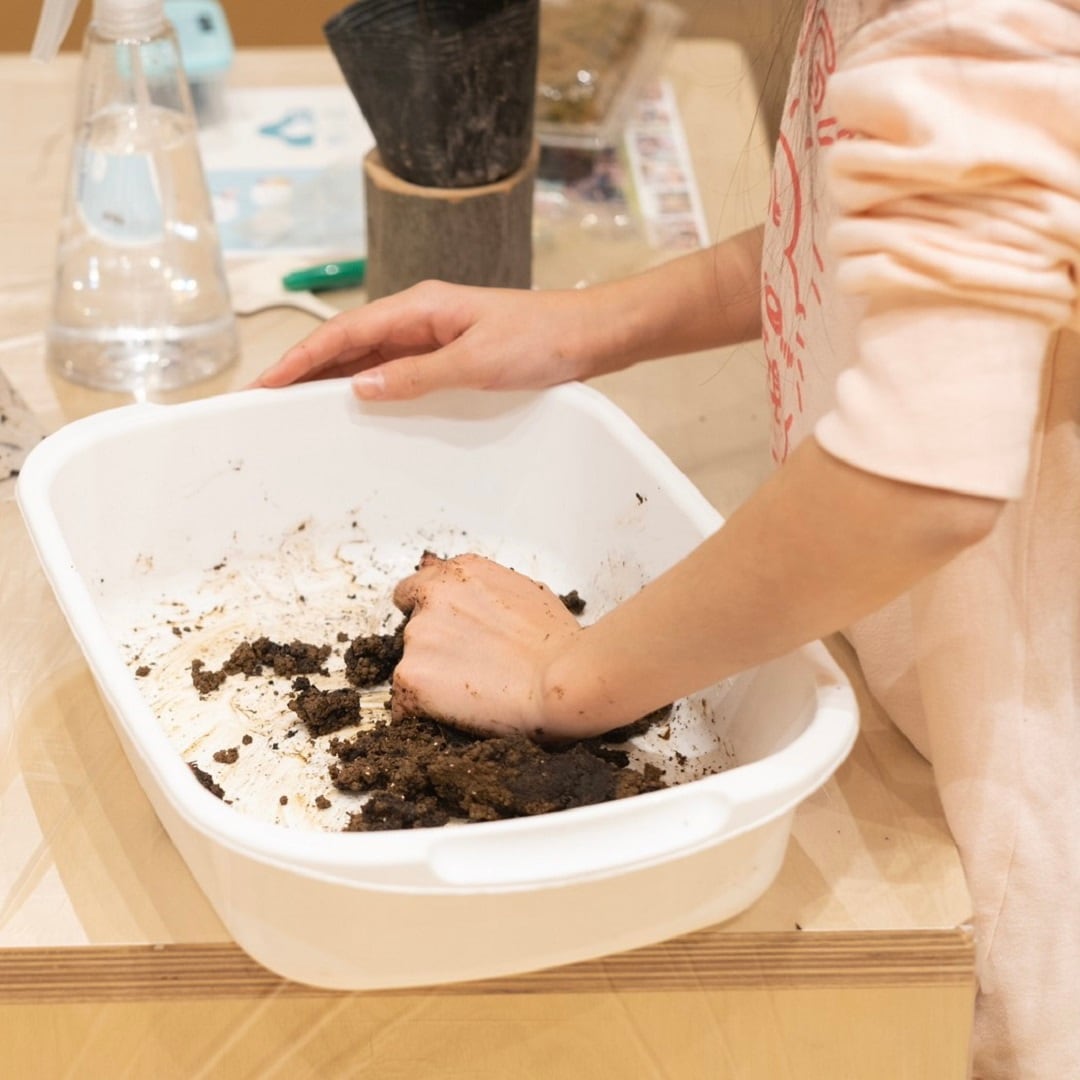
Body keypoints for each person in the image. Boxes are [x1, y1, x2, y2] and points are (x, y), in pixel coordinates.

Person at [254, 1, 1080, 1075]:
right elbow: (880, 245)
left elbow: (919, 477)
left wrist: (565, 680)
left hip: (1022, 835)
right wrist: (592, 322)